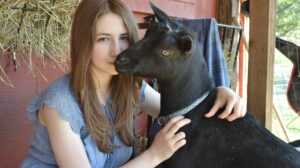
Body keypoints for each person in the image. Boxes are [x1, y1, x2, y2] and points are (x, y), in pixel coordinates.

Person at [21, 0, 246, 167]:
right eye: (103, 39)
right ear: (83, 43)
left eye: (124, 38)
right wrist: (154, 155)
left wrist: (219, 94)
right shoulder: (59, 104)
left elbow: (186, 111)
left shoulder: (129, 88)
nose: (116, 50)